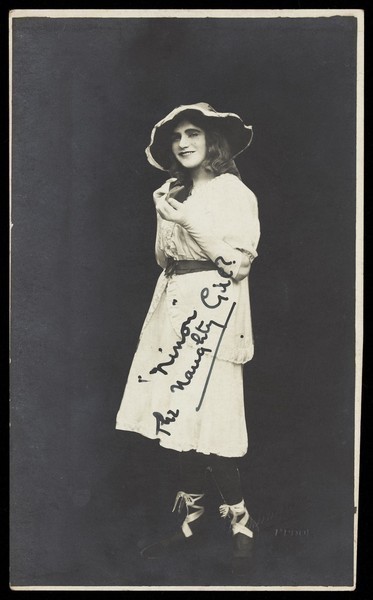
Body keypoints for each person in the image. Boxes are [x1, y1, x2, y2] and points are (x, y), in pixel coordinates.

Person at [116, 102, 260, 566]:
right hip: (173, 309)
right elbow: (165, 261)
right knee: (179, 416)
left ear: (212, 141)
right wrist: (165, 214)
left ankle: (241, 520)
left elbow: (235, 264)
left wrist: (184, 220)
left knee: (213, 417)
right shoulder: (174, 193)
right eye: (177, 137)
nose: (183, 143)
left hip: (215, 312)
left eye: (193, 133)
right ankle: (192, 523)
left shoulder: (234, 192)